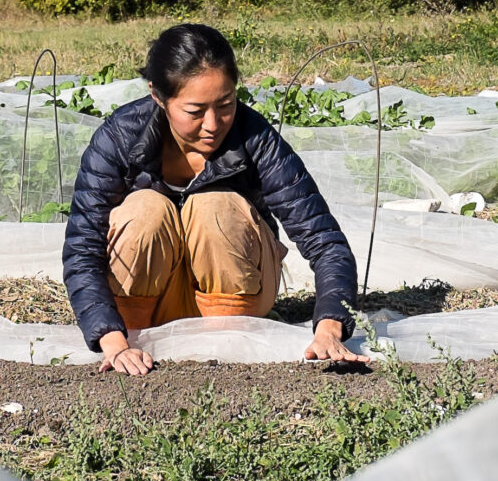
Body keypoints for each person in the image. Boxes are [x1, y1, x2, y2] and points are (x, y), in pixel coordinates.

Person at [62, 22, 368, 375]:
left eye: (225, 104)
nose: (212, 124)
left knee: (213, 205)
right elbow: (83, 245)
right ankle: (134, 332)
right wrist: (111, 339)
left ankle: (225, 339)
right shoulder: (119, 138)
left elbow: (323, 239)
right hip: (142, 304)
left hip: (236, 299)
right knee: (146, 208)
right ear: (158, 97)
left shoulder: (255, 138)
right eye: (195, 111)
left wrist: (330, 325)